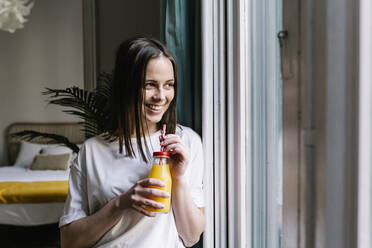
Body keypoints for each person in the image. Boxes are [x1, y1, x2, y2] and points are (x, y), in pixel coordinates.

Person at [59, 37, 206, 248]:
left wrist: (179, 177)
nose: (161, 96)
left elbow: (191, 236)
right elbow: (69, 242)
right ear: (125, 86)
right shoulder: (92, 151)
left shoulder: (186, 142)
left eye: (169, 85)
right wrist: (120, 204)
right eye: (150, 85)